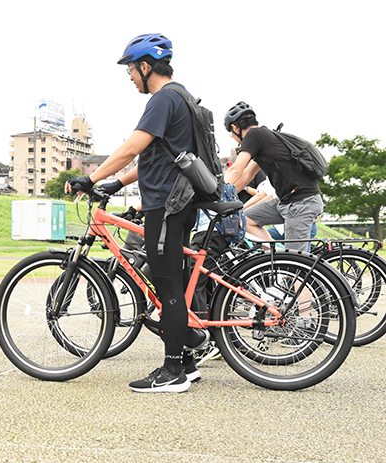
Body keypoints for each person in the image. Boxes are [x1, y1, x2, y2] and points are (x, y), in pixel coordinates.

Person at [65, 33, 202, 393]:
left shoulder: (163, 99)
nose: (129, 77)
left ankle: (173, 372)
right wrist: (116, 183)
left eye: (130, 69)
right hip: (177, 202)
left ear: (145, 66)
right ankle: (186, 362)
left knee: (168, 283)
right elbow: (153, 156)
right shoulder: (182, 98)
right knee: (170, 282)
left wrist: (91, 177)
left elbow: (131, 148)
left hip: (167, 205)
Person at [223, 102, 324, 252]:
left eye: (231, 133)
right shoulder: (263, 139)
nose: (233, 137)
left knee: (295, 266)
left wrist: (214, 193)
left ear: (235, 128)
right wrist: (224, 196)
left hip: (301, 202)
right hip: (285, 201)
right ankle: (276, 254)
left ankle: (286, 263)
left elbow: (237, 170)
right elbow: (247, 175)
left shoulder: (254, 134)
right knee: (244, 221)